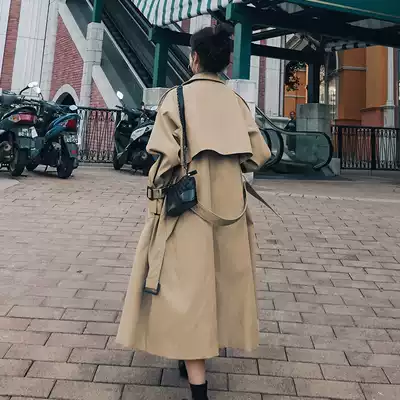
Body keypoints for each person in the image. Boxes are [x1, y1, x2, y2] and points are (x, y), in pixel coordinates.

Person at [116, 24, 271, 400]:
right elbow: (258, 155)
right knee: (218, 285)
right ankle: (192, 358)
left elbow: (163, 159)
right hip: (229, 213)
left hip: (188, 210)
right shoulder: (236, 102)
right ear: (225, 63)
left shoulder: (177, 98)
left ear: (194, 58)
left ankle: (198, 387)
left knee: (186, 289)